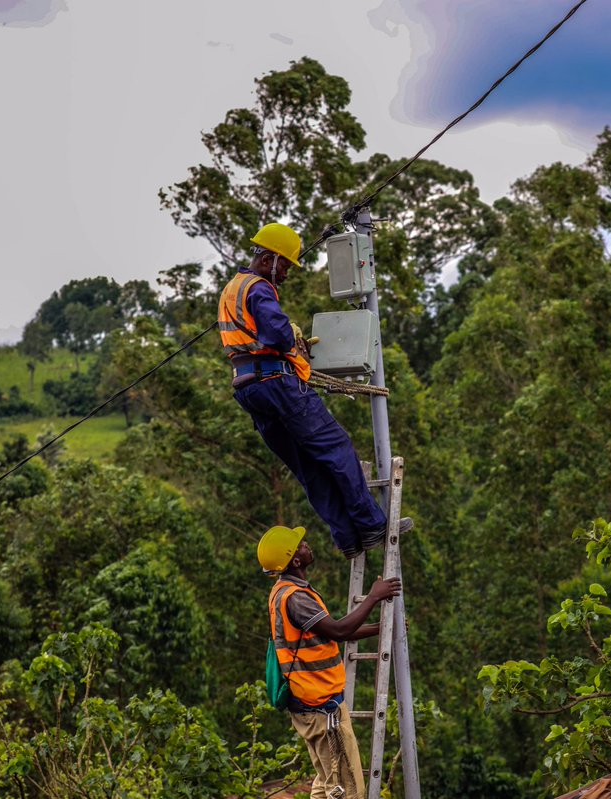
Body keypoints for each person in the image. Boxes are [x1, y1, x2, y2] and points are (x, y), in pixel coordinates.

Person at [219, 222, 411, 559]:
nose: (287, 275)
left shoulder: (232, 288)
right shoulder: (259, 288)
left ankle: (349, 538)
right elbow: (277, 336)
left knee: (308, 466)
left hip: (250, 389)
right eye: (286, 266)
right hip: (277, 384)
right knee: (335, 449)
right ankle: (370, 525)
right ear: (268, 259)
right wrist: (291, 335)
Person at [259, 524, 401, 799]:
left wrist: (379, 628)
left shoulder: (284, 591)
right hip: (322, 710)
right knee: (348, 790)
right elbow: (338, 630)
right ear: (296, 561)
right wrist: (374, 596)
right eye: (300, 545)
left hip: (312, 706)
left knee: (327, 785)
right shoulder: (296, 598)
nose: (306, 545)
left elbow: (329, 633)